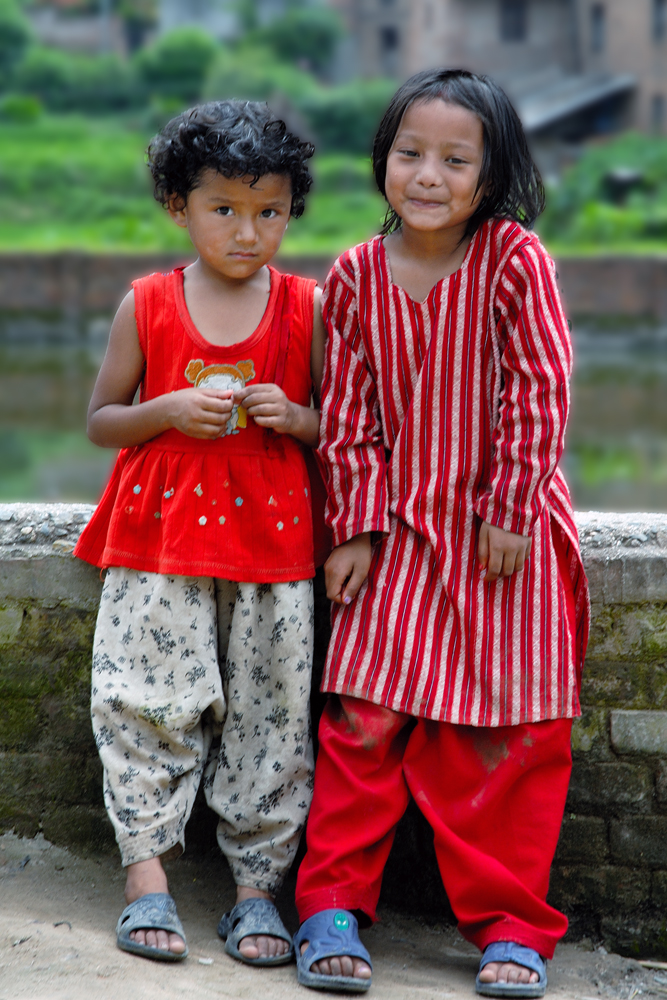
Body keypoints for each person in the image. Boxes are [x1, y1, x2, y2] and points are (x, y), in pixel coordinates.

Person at [292, 69, 590, 997]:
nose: (427, 175)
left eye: (454, 159)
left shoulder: (512, 263)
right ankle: (330, 904)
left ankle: (511, 926)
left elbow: (539, 390)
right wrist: (352, 530)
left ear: (489, 177)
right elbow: (346, 421)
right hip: (396, 537)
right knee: (361, 720)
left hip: (504, 540)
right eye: (408, 153)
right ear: (381, 159)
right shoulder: (348, 277)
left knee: (503, 737)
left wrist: (509, 507)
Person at [74, 100, 326, 967]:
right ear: (178, 206)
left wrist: (295, 416)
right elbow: (103, 420)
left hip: (274, 552)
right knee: (142, 702)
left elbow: (344, 428)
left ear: (292, 210)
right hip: (160, 546)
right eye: (224, 208)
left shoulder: (308, 308)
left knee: (271, 722)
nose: (248, 231)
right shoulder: (147, 303)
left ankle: (257, 896)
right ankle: (148, 884)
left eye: (270, 211)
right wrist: (165, 411)